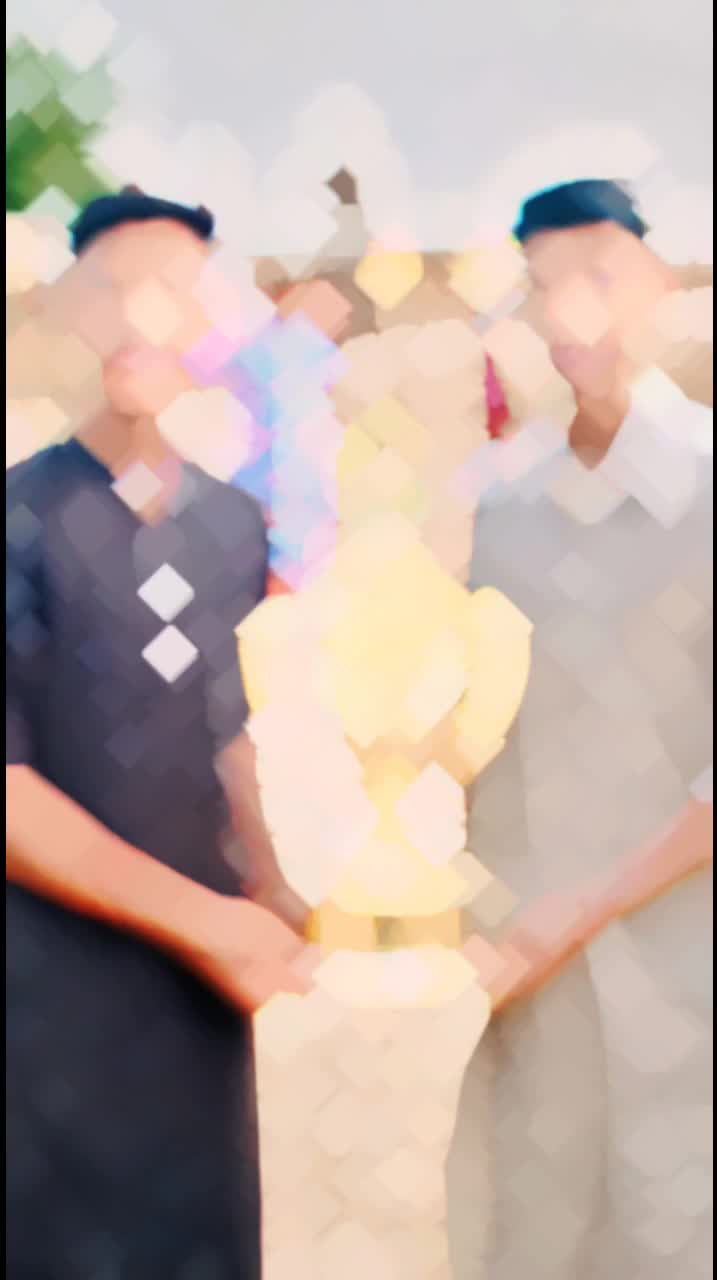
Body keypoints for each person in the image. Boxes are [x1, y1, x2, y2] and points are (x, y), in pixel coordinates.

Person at [6, 189, 314, 1279]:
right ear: (67, 309)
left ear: (211, 319)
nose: (139, 316)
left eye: (170, 291)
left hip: (198, 1002)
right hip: (49, 986)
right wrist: (207, 923)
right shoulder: (19, 519)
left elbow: (224, 721)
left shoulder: (232, 523)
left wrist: (274, 883)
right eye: (111, 288)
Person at [447, 180, 713, 1279]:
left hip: (685, 968)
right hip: (532, 975)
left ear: (661, 284)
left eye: (600, 276)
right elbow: (479, 727)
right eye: (545, 284)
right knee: (530, 1238)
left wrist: (583, 907)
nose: (571, 313)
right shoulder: (505, 502)